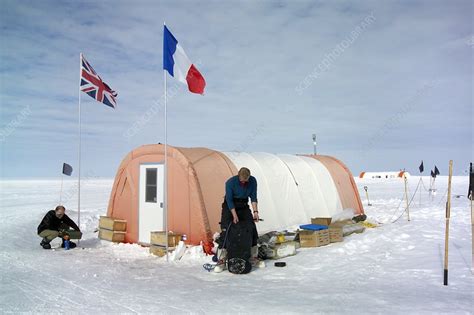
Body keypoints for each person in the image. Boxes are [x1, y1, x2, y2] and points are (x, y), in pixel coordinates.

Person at [215, 167, 264, 272]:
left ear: (249, 177)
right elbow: (229, 199)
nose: (244, 183)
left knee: (251, 227)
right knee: (226, 229)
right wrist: (234, 214)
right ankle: (222, 258)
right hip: (230, 206)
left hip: (243, 204)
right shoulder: (230, 183)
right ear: (238, 176)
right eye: (242, 181)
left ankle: (253, 256)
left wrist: (255, 212)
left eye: (246, 181)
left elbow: (254, 197)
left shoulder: (253, 181)